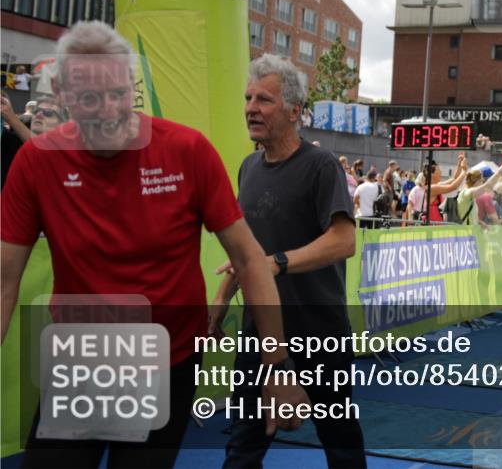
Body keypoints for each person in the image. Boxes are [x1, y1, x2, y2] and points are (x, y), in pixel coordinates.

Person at [1, 23, 307, 468]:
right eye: (89, 98)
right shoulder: (37, 162)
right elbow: (6, 280)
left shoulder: (187, 151)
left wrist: (276, 366)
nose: (107, 110)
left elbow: (248, 259)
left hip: (167, 361)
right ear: (66, 99)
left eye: (117, 94)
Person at [211, 54, 365, 468]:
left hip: (320, 333)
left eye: (264, 99)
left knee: (341, 441)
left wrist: (277, 262)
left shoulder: (322, 166)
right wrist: (220, 302)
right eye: (248, 98)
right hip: (259, 335)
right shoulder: (247, 168)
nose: (250, 108)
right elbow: (246, 251)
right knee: (243, 444)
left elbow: (343, 240)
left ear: (295, 111)